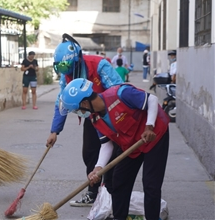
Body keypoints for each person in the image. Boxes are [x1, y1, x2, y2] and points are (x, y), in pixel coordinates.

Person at [60, 78, 170, 220]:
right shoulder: (95, 118)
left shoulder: (120, 94)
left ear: (85, 103)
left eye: (77, 110)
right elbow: (107, 144)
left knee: (151, 185)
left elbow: (152, 100)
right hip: (132, 144)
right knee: (119, 181)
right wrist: (98, 168)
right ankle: (119, 217)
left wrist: (149, 126)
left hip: (154, 136)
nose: (79, 113)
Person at [47, 33, 123, 207]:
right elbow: (62, 101)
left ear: (77, 59)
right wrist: (54, 131)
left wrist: (110, 117)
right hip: (90, 117)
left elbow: (118, 91)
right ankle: (93, 194)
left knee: (112, 156)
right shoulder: (66, 75)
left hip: (110, 116)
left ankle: (111, 196)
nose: (65, 71)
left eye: (67, 65)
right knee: (89, 154)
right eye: (61, 66)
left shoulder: (99, 65)